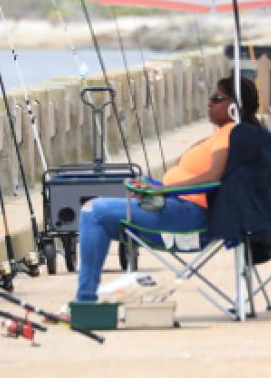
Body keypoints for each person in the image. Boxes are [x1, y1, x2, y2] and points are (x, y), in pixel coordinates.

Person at [73, 77, 258, 302]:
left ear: (235, 106)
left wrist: (163, 192)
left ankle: (85, 300)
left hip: (189, 217)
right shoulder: (226, 133)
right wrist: (156, 187)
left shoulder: (230, 132)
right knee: (99, 216)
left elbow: (213, 177)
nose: (209, 101)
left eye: (217, 98)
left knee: (93, 212)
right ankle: (89, 298)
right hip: (179, 207)